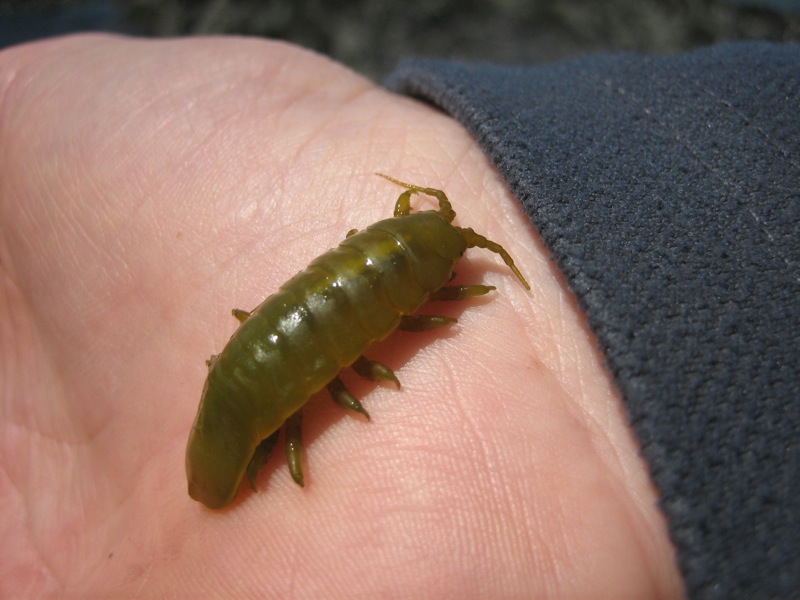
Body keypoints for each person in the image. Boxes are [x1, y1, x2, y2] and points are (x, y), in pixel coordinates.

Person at [0, 34, 795, 599]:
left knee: (275, 373)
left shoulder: (392, 260)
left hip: (256, 372)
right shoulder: (388, 277)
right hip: (250, 381)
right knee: (265, 384)